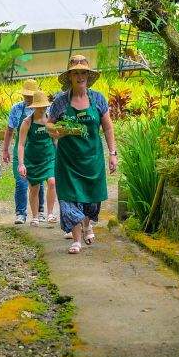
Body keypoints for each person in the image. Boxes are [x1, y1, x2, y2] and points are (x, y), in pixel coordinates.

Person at [47, 55, 117, 254]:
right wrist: (60, 130)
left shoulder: (98, 99)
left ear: (88, 75)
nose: (80, 76)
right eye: (76, 72)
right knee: (70, 197)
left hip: (92, 159)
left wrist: (113, 153)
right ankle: (76, 239)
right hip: (67, 161)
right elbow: (49, 124)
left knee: (90, 198)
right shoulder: (61, 102)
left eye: (83, 72)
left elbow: (108, 128)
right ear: (70, 76)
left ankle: (87, 225)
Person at [2, 79, 42, 224]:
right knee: (21, 181)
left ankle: (40, 211)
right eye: (26, 95)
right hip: (21, 149)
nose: (28, 98)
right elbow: (9, 130)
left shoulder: (43, 108)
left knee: (38, 182)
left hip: (38, 150)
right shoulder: (17, 109)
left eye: (31, 95)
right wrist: (5, 150)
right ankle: (20, 213)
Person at [16, 89, 57, 226]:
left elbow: (55, 139)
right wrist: (21, 164)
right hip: (32, 160)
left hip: (49, 157)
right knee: (34, 188)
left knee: (52, 182)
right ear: (34, 107)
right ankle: (34, 216)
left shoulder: (50, 120)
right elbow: (21, 144)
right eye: (39, 107)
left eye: (43, 106)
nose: (41, 109)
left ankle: (50, 213)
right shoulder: (27, 122)